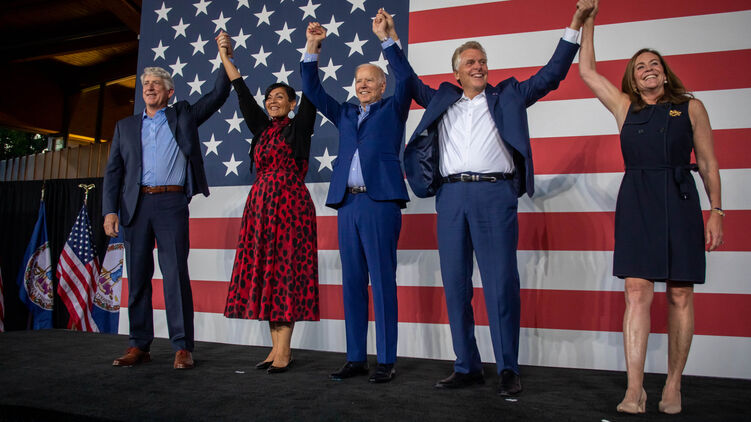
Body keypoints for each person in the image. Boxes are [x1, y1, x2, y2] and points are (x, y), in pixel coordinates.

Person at [402, 2, 595, 395]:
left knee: (501, 283)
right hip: (451, 197)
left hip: (494, 194)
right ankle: (467, 366)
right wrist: (390, 40)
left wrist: (575, 23)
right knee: (456, 285)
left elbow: (552, 74)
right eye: (470, 62)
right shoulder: (441, 99)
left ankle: (508, 367)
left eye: (482, 61)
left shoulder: (509, 94)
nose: (479, 66)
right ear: (457, 72)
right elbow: (408, 79)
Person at [578, 3, 723, 414]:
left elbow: (708, 162)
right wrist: (589, 21)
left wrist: (717, 211)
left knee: (680, 294)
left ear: (665, 72)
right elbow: (587, 71)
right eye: (640, 66)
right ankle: (635, 390)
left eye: (654, 63)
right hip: (637, 201)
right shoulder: (624, 106)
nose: (648, 69)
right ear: (633, 77)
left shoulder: (691, 107)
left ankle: (673, 385)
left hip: (680, 200)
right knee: (637, 291)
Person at [299, 11, 412, 383]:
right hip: (347, 204)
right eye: (358, 80)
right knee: (352, 283)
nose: (363, 85)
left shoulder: (394, 107)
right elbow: (313, 90)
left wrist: (386, 39)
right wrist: (313, 47)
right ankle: (355, 358)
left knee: (382, 282)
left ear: (382, 85)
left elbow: (406, 78)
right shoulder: (345, 113)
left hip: (380, 204)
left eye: (369, 80)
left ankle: (386, 360)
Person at [103, 59, 231, 369]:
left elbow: (217, 94)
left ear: (169, 92)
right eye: (146, 84)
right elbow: (114, 172)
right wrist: (109, 211)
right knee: (138, 279)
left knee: (174, 275)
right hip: (135, 207)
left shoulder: (183, 115)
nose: (149, 88)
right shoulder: (125, 126)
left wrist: (224, 56)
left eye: (156, 84)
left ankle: (182, 347)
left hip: (171, 204)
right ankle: (138, 344)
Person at [215, 32, 319, 373]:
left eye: (280, 97)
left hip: (290, 210)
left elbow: (311, 90)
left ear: (292, 103)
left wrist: (311, 48)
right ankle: (275, 350)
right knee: (268, 275)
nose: (273, 101)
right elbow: (242, 93)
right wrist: (225, 56)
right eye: (270, 97)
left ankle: (285, 351)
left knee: (286, 274)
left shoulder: (300, 127)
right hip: (260, 209)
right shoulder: (262, 129)